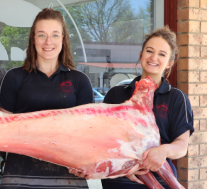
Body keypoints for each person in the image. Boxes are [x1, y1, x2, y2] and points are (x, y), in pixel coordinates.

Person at [0, 8, 94, 188]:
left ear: (63, 39)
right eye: (42, 35)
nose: (48, 42)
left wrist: (88, 162)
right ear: (33, 38)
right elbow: (1, 130)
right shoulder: (14, 77)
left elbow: (89, 133)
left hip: (69, 177)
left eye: (55, 35)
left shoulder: (80, 80)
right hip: (19, 176)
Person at [71, 26, 194, 189]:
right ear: (141, 55)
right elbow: (100, 140)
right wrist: (87, 164)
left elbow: (181, 146)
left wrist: (164, 151)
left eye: (162, 54)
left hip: (160, 180)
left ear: (170, 62)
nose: (154, 57)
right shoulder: (116, 94)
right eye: (149, 51)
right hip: (118, 182)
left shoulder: (177, 98)